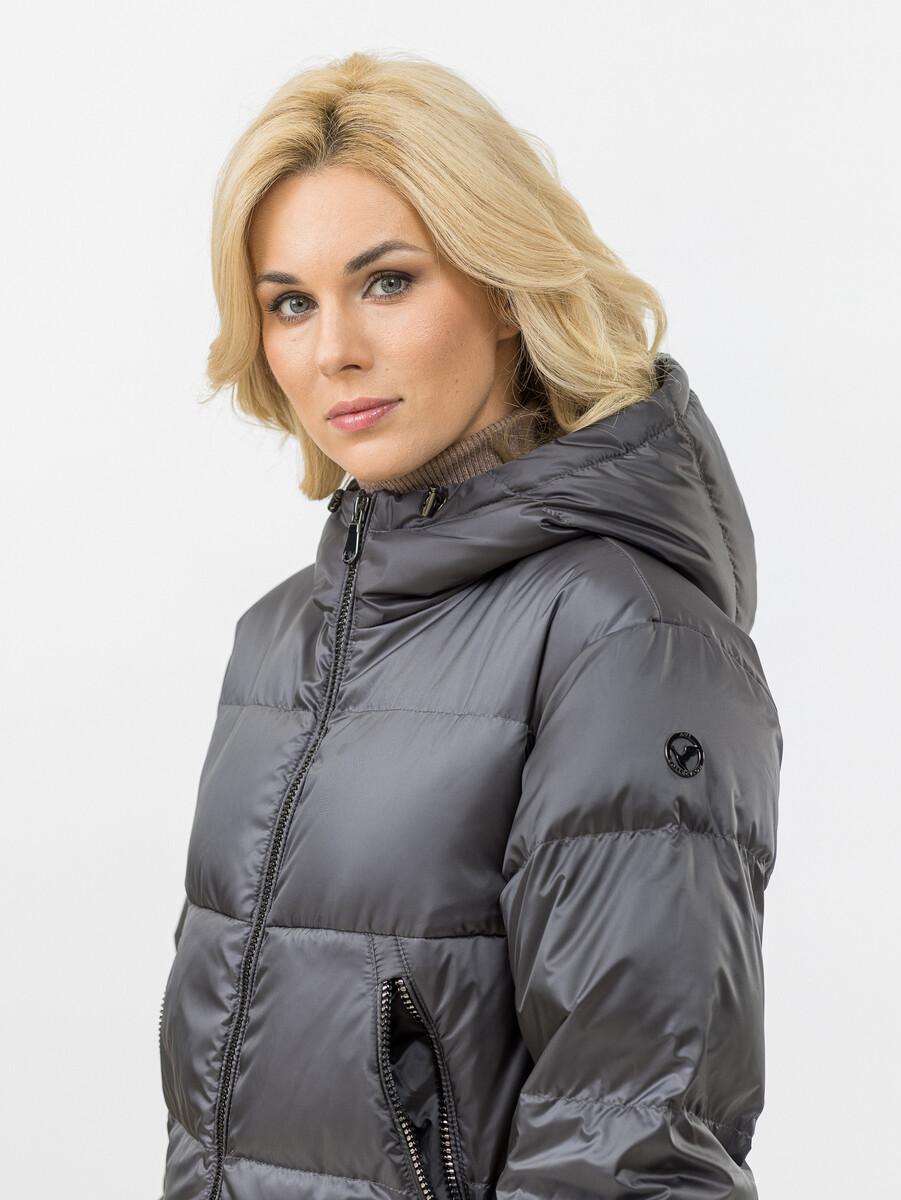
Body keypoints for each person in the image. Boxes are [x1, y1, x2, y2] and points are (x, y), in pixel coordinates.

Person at [158, 50, 782, 1200]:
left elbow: (630, 1143)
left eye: (387, 281)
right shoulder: (277, 640)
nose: (332, 348)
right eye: (290, 302)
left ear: (502, 288)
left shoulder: (622, 638)